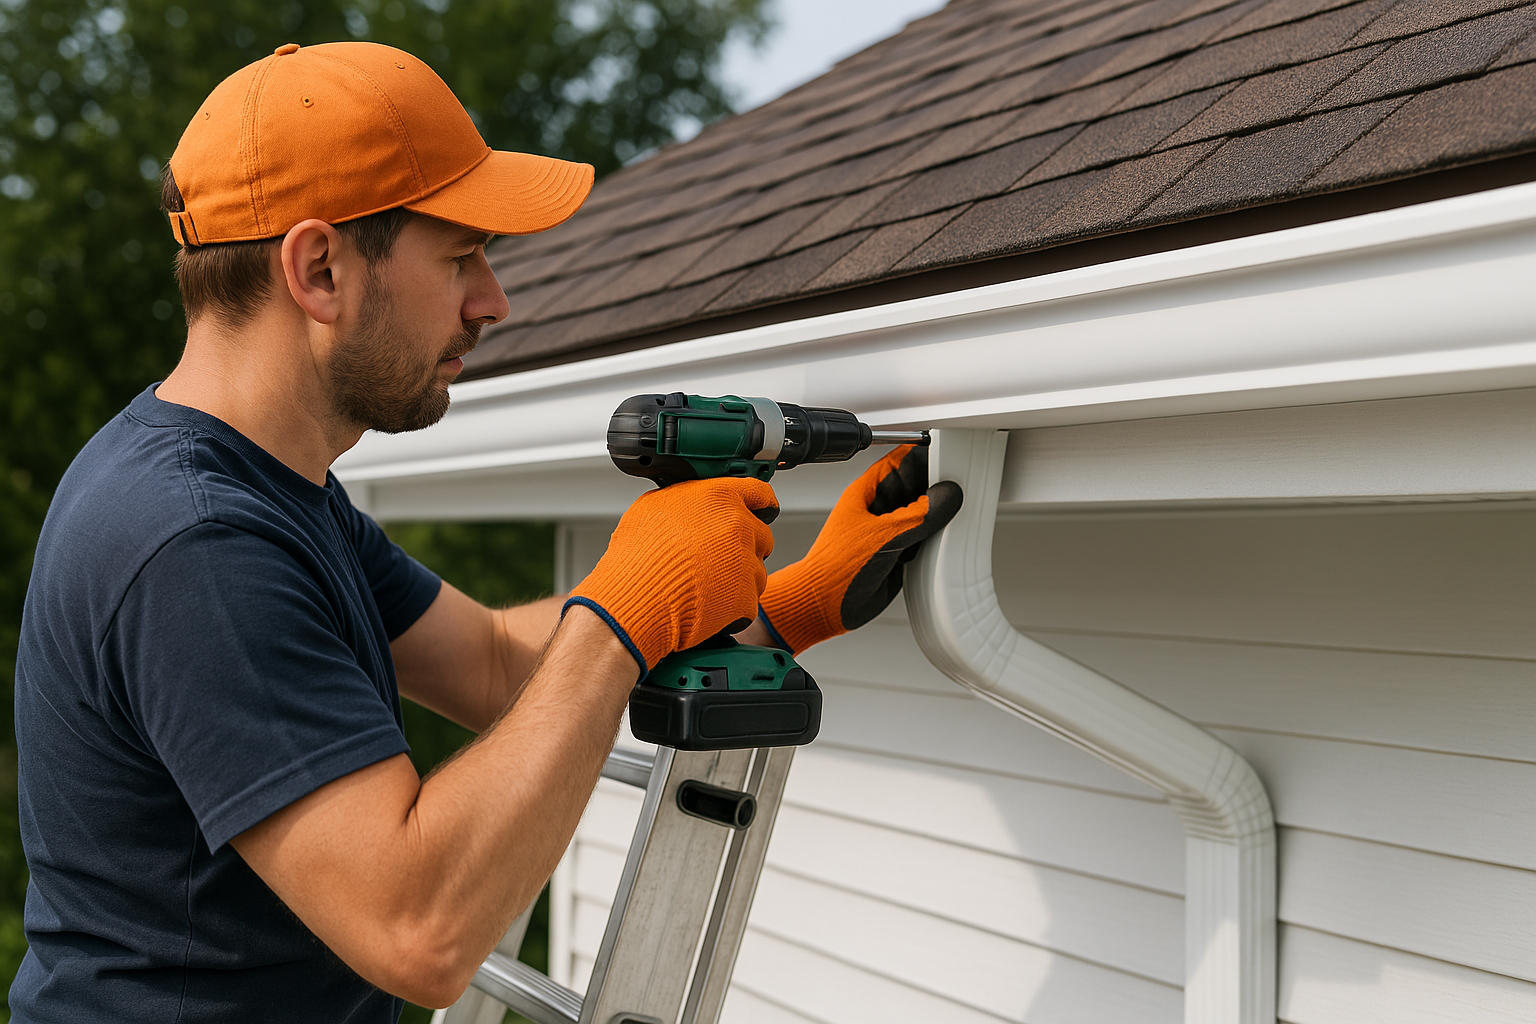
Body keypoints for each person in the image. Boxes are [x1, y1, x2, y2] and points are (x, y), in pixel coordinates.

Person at [10, 41, 959, 1024]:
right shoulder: (194, 543)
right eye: (460, 256)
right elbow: (417, 929)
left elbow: (501, 664)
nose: (492, 302)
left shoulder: (277, 496)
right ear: (319, 267)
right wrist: (621, 608)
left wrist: (786, 604)